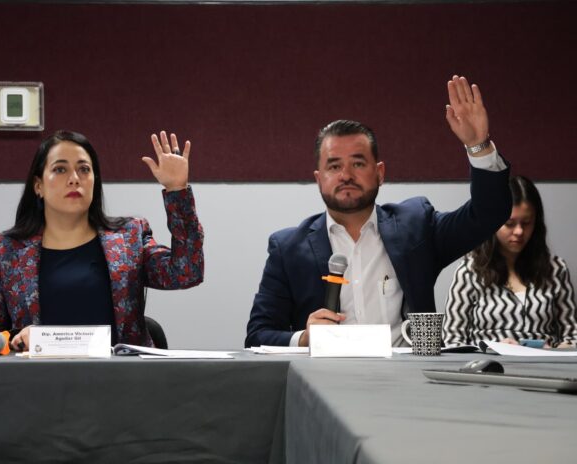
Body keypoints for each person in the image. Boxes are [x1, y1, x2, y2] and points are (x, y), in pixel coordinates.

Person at [245, 75, 512, 348]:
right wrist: (304, 337)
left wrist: (478, 146)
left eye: (358, 164)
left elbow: (489, 213)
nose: (346, 175)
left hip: (406, 372)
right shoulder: (288, 248)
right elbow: (257, 335)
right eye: (334, 166)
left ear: (380, 173)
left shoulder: (416, 226)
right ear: (319, 179)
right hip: (326, 373)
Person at [0, 130, 204, 350]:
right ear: (38, 185)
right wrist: (18, 338)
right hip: (40, 376)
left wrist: (177, 190)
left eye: (84, 169)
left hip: (119, 375)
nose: (74, 179)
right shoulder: (6, 250)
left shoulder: (129, 237)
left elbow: (186, 272)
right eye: (60, 169)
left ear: (95, 180)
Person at [443, 176, 577, 348]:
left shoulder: (555, 269)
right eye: (509, 223)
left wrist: (556, 350)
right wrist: (493, 348)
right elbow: (452, 341)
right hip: (490, 363)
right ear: (493, 222)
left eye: (526, 223)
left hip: (544, 362)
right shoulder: (470, 271)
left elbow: (572, 336)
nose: (519, 231)